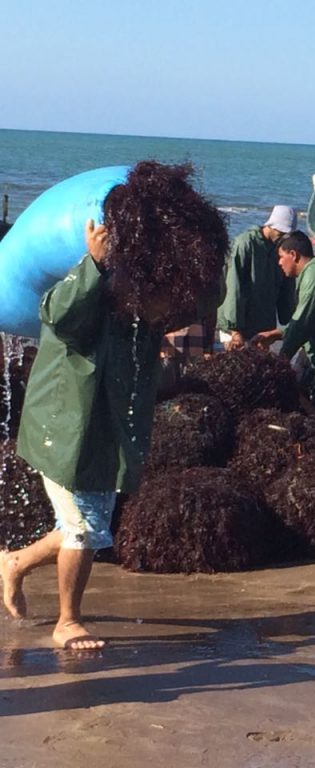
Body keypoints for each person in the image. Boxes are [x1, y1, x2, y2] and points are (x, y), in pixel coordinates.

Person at [1, 171, 225, 650]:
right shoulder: (88, 299)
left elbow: (205, 299)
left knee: (84, 526)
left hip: (104, 435)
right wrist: (94, 263)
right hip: (63, 429)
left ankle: (14, 563)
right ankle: (67, 621)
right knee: (82, 530)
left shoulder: (142, 318)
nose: (172, 307)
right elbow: (55, 314)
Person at [252, 232, 315, 406]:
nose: (279, 263)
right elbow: (312, 319)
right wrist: (277, 334)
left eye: (281, 257)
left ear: (293, 255)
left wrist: (279, 365)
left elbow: (302, 326)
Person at [216, 205, 297, 351]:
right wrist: (235, 330)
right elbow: (233, 286)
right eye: (281, 231)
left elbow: (286, 287)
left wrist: (289, 321)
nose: (283, 236)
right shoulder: (245, 243)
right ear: (271, 225)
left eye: (287, 234)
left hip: (262, 326)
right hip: (236, 326)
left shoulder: (280, 248)